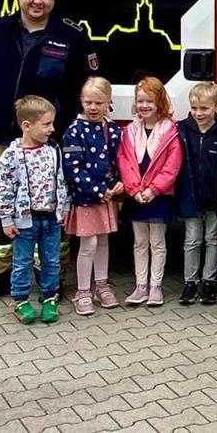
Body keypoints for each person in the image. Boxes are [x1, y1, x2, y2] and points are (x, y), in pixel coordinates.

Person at [0, 0, 98, 306]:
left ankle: (50, 277)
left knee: (51, 205)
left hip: (50, 140)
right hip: (2, 135)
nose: (38, 1)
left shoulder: (71, 37)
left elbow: (82, 85)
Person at [0, 96, 70, 325]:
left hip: (51, 219)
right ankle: (20, 300)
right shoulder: (11, 156)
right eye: (46, 124)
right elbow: (5, 189)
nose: (52, 129)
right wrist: (6, 219)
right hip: (25, 222)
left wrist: (64, 206)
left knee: (51, 261)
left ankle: (49, 297)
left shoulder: (53, 151)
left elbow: (61, 180)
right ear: (26, 126)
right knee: (22, 262)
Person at [117, 76, 183, 307]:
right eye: (140, 101)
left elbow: (171, 166)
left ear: (160, 103)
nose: (144, 105)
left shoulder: (170, 131)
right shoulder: (129, 131)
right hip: (136, 195)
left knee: (157, 242)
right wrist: (134, 190)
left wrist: (153, 189)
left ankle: (155, 286)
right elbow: (125, 162)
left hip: (158, 195)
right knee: (139, 242)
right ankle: (140, 286)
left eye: (150, 101)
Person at [62, 77, 124, 315]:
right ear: (81, 101)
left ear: (109, 102)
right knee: (88, 244)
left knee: (104, 242)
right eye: (88, 102)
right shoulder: (74, 131)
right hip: (86, 199)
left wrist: (118, 184)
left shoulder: (113, 130)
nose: (93, 107)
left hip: (107, 198)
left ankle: (102, 285)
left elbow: (118, 161)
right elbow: (72, 168)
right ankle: (83, 291)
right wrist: (97, 190)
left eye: (99, 102)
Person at [175, 81, 217, 306]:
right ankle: (190, 282)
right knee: (191, 239)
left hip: (215, 196)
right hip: (190, 194)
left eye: (204, 108)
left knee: (212, 238)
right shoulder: (181, 130)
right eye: (194, 108)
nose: (198, 113)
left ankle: (209, 281)